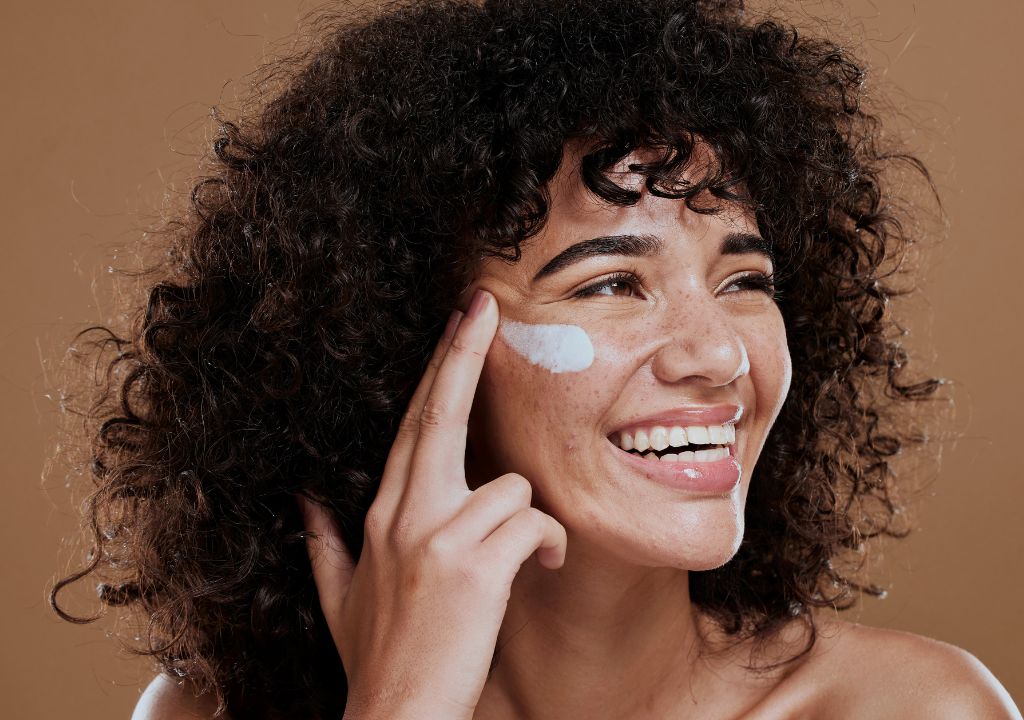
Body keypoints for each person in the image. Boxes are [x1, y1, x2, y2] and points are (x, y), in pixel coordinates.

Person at [50, 0, 1020, 718]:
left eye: (743, 280)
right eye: (610, 284)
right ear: (399, 343)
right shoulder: (210, 713)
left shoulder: (908, 710)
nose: (720, 353)